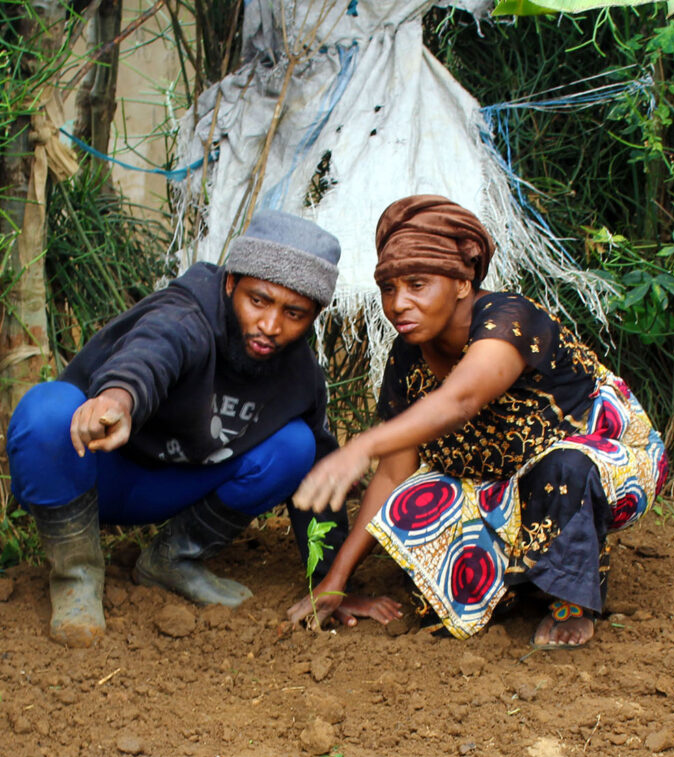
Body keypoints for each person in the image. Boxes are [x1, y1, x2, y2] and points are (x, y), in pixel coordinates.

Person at [288, 195, 669, 648]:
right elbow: (392, 476)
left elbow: (461, 399)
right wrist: (335, 581)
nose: (398, 304)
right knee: (414, 508)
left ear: (464, 282)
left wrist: (359, 445)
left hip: (604, 463)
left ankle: (572, 599)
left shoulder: (508, 318)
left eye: (416, 284)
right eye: (389, 288)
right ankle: (517, 580)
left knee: (564, 468)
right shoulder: (407, 359)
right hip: (496, 481)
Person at [7, 210, 396, 648]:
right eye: (258, 300)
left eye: (294, 313)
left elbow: (323, 474)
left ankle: (172, 560)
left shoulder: (300, 377)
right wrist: (120, 397)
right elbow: (155, 348)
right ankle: (75, 576)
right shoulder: (187, 313)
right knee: (45, 412)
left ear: (314, 316)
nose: (270, 325)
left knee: (297, 445)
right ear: (231, 283)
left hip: (174, 488)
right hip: (93, 472)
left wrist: (331, 581)